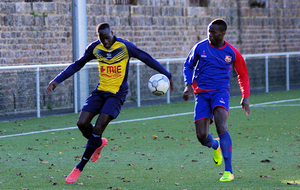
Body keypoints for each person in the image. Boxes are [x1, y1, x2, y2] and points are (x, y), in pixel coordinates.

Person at [46, 22, 173, 184]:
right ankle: (98, 143)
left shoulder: (125, 47)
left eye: (107, 38)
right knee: (82, 123)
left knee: (98, 127)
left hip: (117, 95)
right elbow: (78, 64)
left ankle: (79, 167)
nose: (105, 42)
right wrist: (57, 80)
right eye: (101, 39)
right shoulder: (95, 48)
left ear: (113, 33)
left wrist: (167, 74)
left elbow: (146, 58)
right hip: (100, 92)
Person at [182, 18, 250, 182]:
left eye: (212, 32)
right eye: (208, 31)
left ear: (222, 33)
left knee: (221, 125)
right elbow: (188, 65)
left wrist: (245, 96)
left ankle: (229, 171)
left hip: (220, 92)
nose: (209, 35)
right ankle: (215, 145)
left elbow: (242, 74)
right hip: (202, 94)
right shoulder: (200, 47)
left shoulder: (232, 52)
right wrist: (188, 84)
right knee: (201, 136)